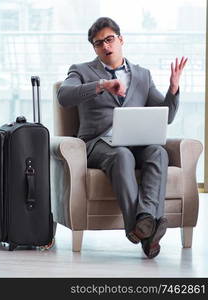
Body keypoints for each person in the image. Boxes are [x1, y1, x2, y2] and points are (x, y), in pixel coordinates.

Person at [57, 17, 187, 259]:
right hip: (98, 144)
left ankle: (144, 223)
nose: (105, 46)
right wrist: (102, 85)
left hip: (136, 141)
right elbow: (64, 96)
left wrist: (173, 89)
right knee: (122, 154)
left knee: (158, 152)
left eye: (109, 39)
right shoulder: (82, 71)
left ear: (120, 39)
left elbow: (165, 115)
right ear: (94, 48)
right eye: (98, 43)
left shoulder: (142, 75)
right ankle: (142, 231)